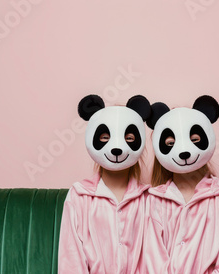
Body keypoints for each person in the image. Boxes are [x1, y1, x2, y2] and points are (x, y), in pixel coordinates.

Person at [142, 95, 219, 273]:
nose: (183, 150)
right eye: (170, 143)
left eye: (195, 140)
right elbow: (152, 260)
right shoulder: (154, 200)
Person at [58, 94, 151, 273]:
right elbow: (71, 261)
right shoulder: (79, 196)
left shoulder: (149, 199)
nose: (116, 146)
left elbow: (153, 260)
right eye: (104, 137)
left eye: (129, 138)